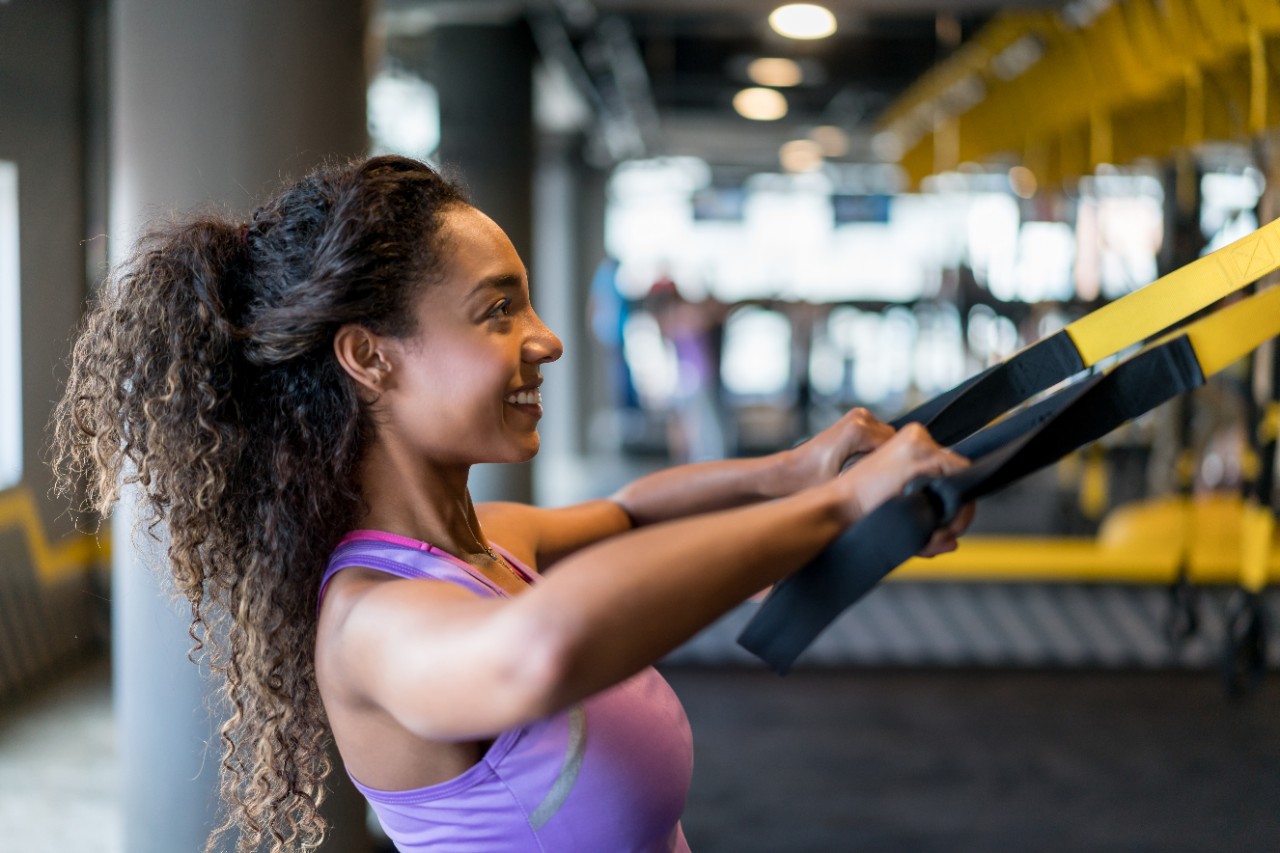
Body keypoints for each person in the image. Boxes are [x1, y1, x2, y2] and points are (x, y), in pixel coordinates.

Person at [51, 155, 971, 853]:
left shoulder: (485, 548)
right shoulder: (373, 622)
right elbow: (548, 646)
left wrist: (794, 473)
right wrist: (847, 506)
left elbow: (634, 514)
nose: (548, 339)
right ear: (370, 357)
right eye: (499, 311)